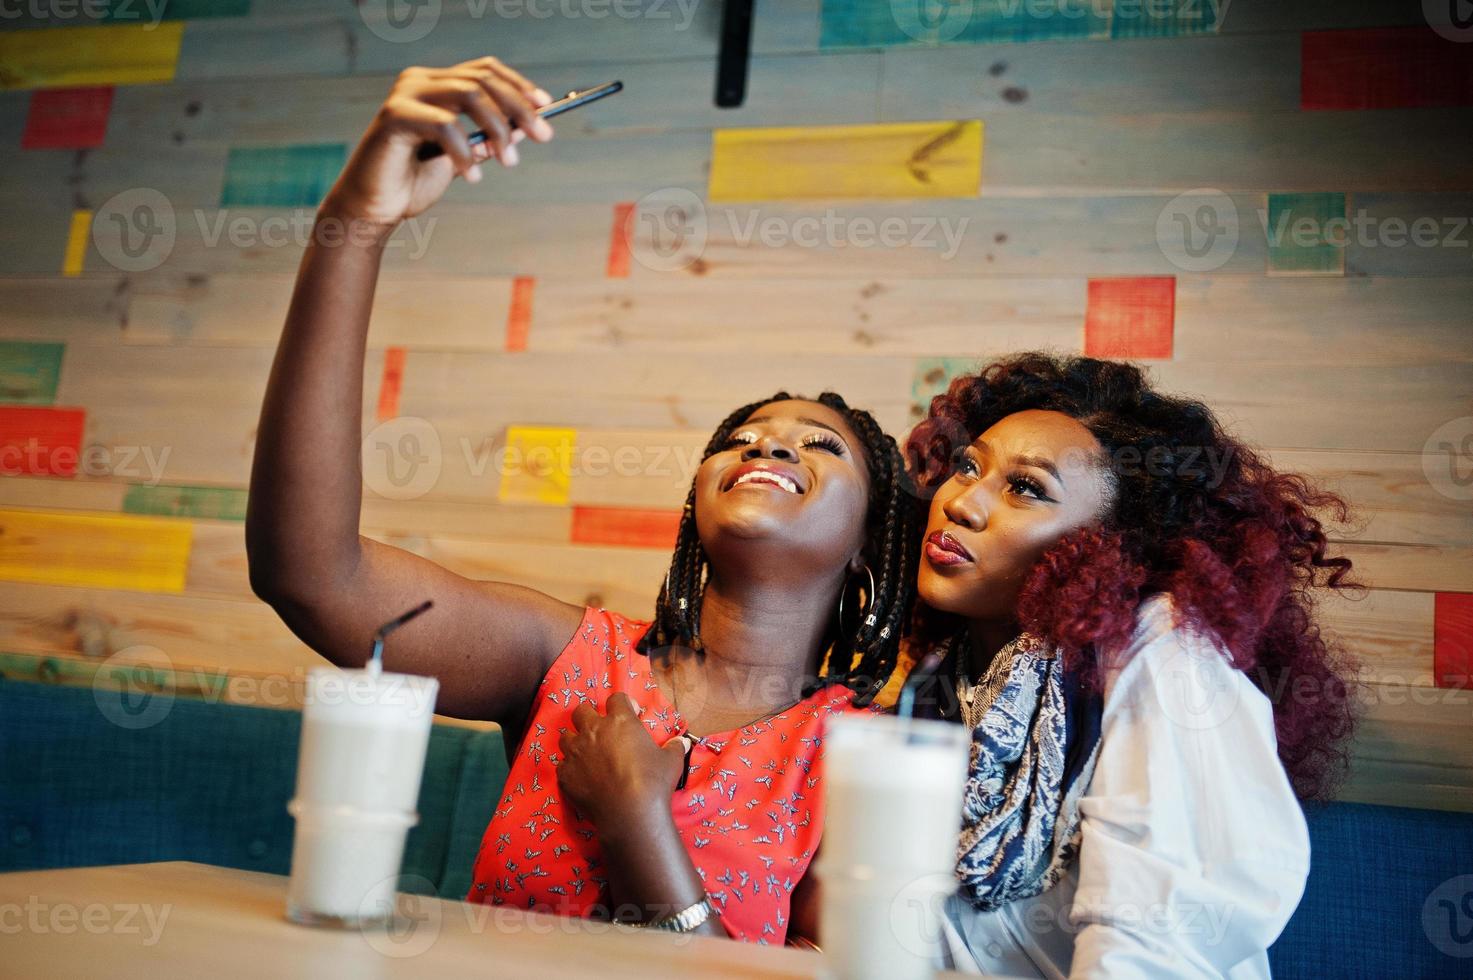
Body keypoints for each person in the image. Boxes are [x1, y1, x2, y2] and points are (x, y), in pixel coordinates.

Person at [244, 57, 921, 944]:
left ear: (870, 544)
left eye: (819, 446)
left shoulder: (867, 764)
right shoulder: (566, 660)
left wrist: (636, 819)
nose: (768, 445)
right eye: (741, 437)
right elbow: (310, 574)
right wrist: (356, 224)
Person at [899, 352, 1357, 977]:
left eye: (1026, 488)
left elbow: (1158, 942)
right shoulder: (933, 682)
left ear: (1104, 547)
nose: (962, 503)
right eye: (966, 467)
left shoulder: (1159, 647)